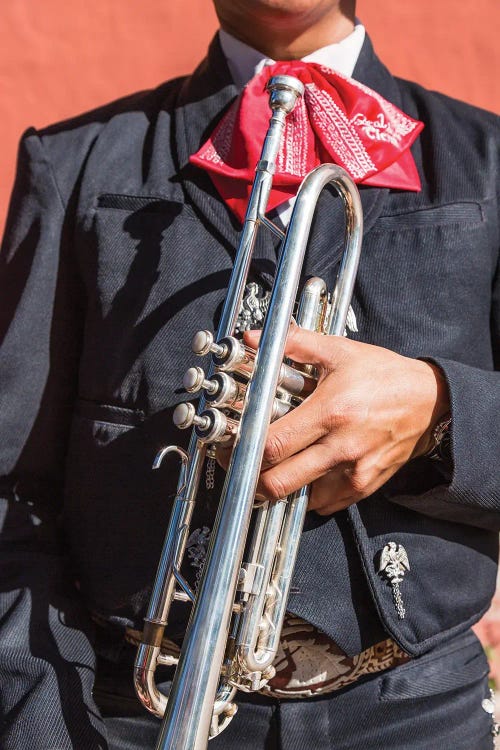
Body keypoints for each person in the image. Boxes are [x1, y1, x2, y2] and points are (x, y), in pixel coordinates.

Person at [0, 0, 498, 748]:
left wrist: (441, 408)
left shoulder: (487, 158)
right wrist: (43, 725)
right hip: (126, 712)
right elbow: (13, 494)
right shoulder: (72, 162)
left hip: (418, 710)